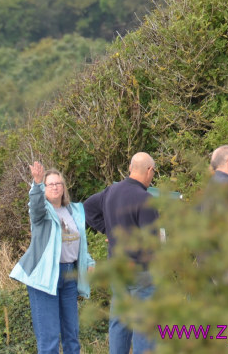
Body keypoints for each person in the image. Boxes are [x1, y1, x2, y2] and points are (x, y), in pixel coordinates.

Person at [10, 161, 96, 354]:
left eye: (59, 183)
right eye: (51, 184)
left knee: (72, 336)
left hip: (69, 276)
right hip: (44, 278)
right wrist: (38, 183)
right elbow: (35, 206)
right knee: (49, 340)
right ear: (45, 189)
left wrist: (88, 261)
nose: (56, 187)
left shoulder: (73, 210)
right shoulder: (42, 213)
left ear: (64, 187)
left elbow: (78, 242)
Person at [85, 152, 159, 354]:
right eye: (153, 172)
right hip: (140, 270)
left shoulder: (111, 191)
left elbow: (87, 208)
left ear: (130, 168)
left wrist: (106, 229)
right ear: (149, 170)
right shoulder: (146, 199)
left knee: (120, 321)